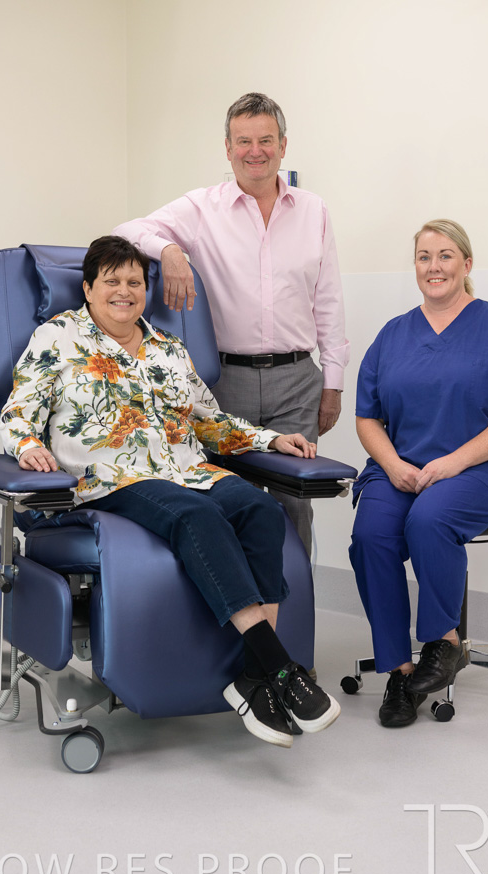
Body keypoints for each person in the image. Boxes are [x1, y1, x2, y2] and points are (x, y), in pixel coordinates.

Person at [0, 235, 340, 748]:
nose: (124, 290)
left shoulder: (168, 348)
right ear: (88, 289)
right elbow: (18, 412)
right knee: (195, 517)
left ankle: (252, 677)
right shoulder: (58, 338)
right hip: (111, 477)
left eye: (134, 281)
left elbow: (208, 421)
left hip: (187, 469)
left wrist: (269, 439)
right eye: (111, 281)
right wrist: (27, 446)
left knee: (262, 510)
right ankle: (278, 667)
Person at [112, 92, 349, 555]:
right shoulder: (202, 208)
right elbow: (126, 231)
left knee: (293, 506)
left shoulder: (314, 210)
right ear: (227, 148)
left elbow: (329, 300)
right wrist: (169, 250)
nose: (254, 151)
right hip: (224, 383)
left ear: (283, 145)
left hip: (297, 382)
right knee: (226, 501)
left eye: (266, 140)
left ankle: (291, 602)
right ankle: (236, 600)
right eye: (244, 141)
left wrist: (333, 383)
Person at [348, 219, 488, 728]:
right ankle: (400, 673)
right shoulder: (393, 334)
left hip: (484, 468)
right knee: (371, 535)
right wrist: (393, 465)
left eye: (445, 256)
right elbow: (367, 417)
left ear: (466, 264)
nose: (434, 266)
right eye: (424, 257)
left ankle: (443, 642)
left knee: (430, 519)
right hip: (403, 468)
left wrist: (454, 461)